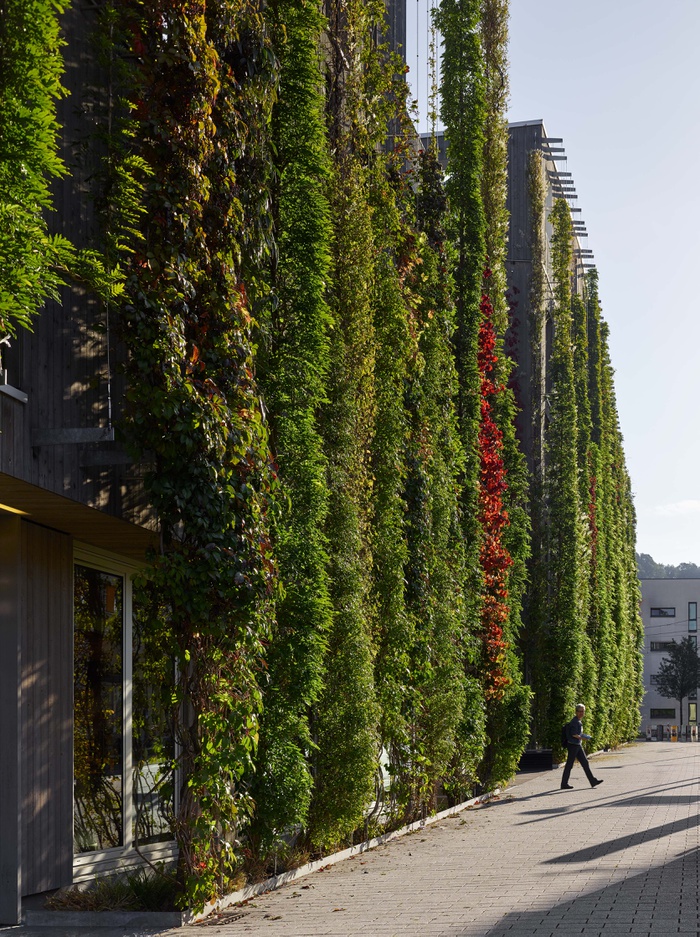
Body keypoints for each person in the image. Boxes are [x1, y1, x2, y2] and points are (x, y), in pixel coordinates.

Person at [561, 703, 604, 790]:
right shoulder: (575, 721)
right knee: (569, 764)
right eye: (579, 711)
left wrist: (583, 736)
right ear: (576, 712)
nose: (581, 713)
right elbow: (574, 734)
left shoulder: (578, 721)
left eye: (583, 711)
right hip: (573, 745)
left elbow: (577, 734)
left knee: (585, 763)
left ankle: (592, 781)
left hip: (577, 744)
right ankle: (564, 784)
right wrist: (582, 738)